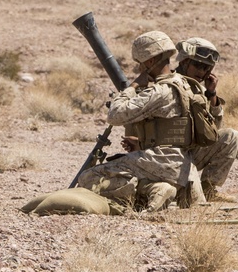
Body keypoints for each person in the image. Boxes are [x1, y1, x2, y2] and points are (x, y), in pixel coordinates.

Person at [77, 31, 204, 211]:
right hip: (183, 163)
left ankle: (154, 189)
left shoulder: (159, 91)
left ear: (150, 62)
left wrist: (133, 87)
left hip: (161, 161)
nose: (139, 69)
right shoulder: (183, 83)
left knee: (88, 177)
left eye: (140, 64)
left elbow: (115, 115)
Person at [175, 37, 238, 201]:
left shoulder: (199, 90)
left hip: (190, 150)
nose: (201, 71)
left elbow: (214, 130)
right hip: (169, 153)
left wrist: (211, 94)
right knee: (191, 202)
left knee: (230, 136)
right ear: (184, 62)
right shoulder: (168, 84)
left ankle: (209, 189)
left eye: (206, 68)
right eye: (197, 65)